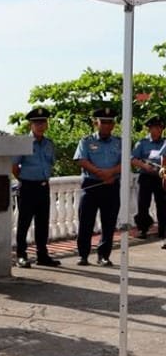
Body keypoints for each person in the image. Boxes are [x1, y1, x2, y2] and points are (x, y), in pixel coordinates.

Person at [12, 108, 61, 268]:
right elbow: (14, 167)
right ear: (31, 125)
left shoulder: (49, 144)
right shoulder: (23, 143)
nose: (40, 126)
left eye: (43, 122)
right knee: (24, 223)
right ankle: (21, 255)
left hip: (43, 186)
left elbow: (50, 163)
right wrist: (25, 180)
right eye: (37, 123)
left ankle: (42, 255)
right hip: (27, 187)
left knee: (42, 223)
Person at [74, 107, 122, 266]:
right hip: (91, 186)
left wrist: (111, 173)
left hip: (111, 186)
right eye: (103, 122)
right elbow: (81, 160)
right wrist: (100, 173)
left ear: (113, 124)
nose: (107, 125)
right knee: (86, 222)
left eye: (110, 122)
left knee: (109, 223)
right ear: (96, 123)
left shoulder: (119, 142)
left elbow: (126, 161)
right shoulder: (86, 141)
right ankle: (83, 255)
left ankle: (104, 255)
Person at [130, 115, 166, 242]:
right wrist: (144, 166)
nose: (159, 130)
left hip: (161, 177)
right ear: (150, 129)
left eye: (161, 127)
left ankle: (163, 230)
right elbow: (132, 158)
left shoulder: (164, 143)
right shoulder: (142, 143)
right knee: (143, 204)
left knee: (162, 204)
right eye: (156, 127)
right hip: (146, 176)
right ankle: (143, 229)